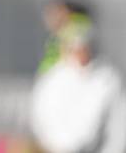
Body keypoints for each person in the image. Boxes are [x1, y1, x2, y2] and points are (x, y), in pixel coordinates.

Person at [30, 22, 126, 152]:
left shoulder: (108, 78)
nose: (80, 52)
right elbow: (40, 118)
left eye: (83, 47)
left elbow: (118, 124)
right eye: (74, 47)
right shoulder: (52, 79)